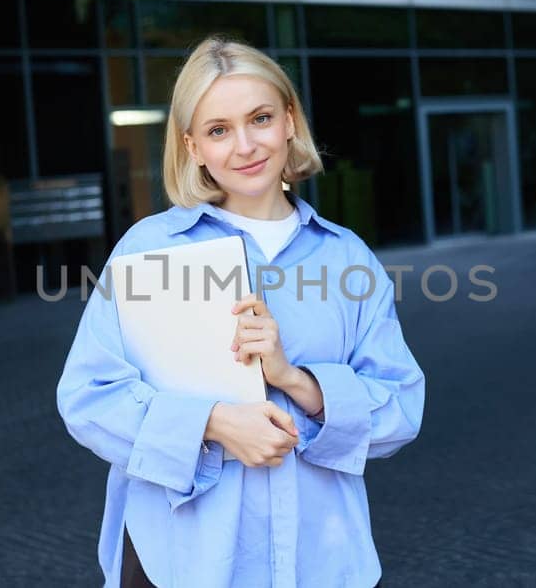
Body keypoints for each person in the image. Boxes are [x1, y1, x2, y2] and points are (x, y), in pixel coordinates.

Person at [57, 35, 425, 587]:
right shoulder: (148, 250)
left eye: (260, 118)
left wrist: (294, 380)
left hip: (321, 562)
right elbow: (88, 398)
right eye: (218, 130)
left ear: (290, 121)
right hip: (183, 560)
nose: (246, 145)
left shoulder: (346, 256)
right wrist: (216, 424)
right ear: (192, 146)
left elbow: (400, 407)